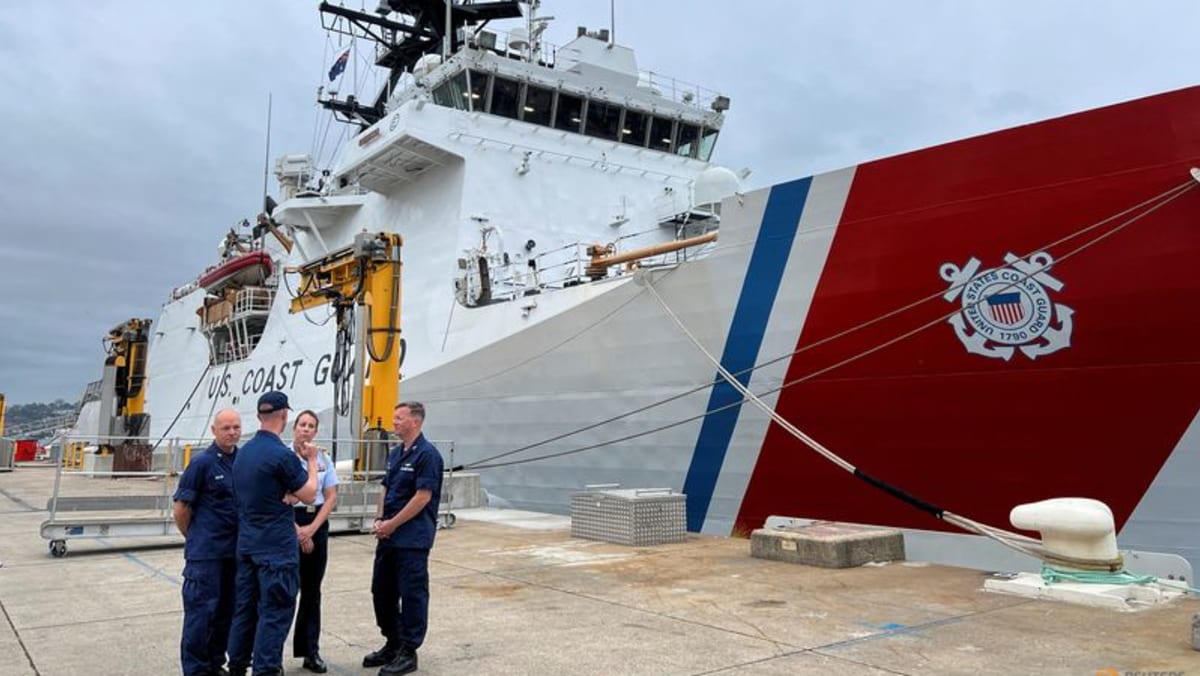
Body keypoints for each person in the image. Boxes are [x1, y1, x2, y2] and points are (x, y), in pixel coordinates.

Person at [226, 391, 319, 676]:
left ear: (258, 417)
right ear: (284, 415)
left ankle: (238, 665)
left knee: (245, 610)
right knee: (275, 612)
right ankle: (266, 670)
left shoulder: (243, 455)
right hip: (276, 550)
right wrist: (312, 462)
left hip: (248, 545)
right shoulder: (281, 455)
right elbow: (310, 494)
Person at [362, 402, 444, 676]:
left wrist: (391, 524)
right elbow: (385, 488)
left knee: (412, 594)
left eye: (399, 418)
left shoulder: (428, 455)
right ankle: (393, 640)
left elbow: (423, 497)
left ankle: (409, 651)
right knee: (381, 592)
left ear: (415, 422)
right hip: (388, 537)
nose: (393, 422)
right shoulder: (396, 453)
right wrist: (379, 520)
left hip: (411, 539)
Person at [173, 408, 242, 676]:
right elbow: (181, 509)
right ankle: (196, 670)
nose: (232, 432)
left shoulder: (241, 461)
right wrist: (195, 538)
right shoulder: (201, 464)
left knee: (226, 612)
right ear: (214, 431)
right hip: (206, 555)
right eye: (226, 428)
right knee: (200, 615)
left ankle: (215, 664)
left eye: (236, 427)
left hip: (232, 553)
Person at [287, 410, 339, 674]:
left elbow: (330, 496)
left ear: (316, 432)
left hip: (316, 523)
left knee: (312, 592)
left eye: (311, 426)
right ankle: (270, 656)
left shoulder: (323, 459)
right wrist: (298, 531)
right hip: (289, 523)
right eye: (302, 425)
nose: (306, 429)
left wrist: (312, 529)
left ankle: (310, 651)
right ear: (294, 428)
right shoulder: (284, 458)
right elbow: (278, 498)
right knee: (283, 593)